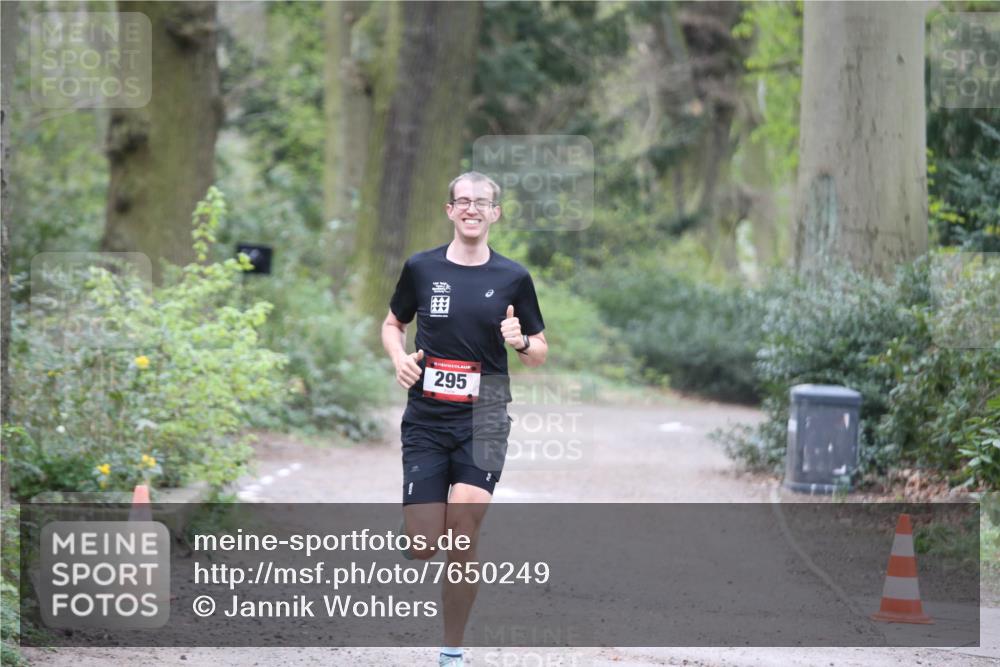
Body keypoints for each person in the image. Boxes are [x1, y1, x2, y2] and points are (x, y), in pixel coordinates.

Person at [381, 171, 547, 667]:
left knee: (464, 531)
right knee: (426, 543)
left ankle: (451, 649)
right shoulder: (421, 268)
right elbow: (394, 324)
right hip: (428, 423)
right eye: (463, 201)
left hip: (486, 418)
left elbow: (539, 352)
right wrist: (399, 358)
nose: (472, 209)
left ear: (495, 213)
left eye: (482, 202)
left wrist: (519, 340)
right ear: (449, 210)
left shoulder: (513, 278)